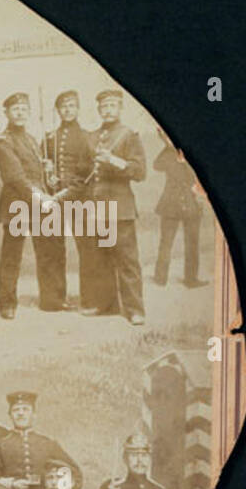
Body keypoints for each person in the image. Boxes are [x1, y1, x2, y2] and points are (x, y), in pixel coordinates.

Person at [0, 92, 65, 316]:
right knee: (12, 255)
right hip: (16, 203)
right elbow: (14, 177)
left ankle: (51, 301)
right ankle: (7, 304)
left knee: (47, 251)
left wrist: (48, 175)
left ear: (29, 112)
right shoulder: (2, 142)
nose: (20, 113)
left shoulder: (32, 140)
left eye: (24, 109)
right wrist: (40, 196)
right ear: (6, 113)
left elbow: (35, 174)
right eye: (15, 109)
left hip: (38, 201)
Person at [84, 88, 147, 324]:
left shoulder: (129, 135)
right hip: (98, 207)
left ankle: (135, 310)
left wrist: (113, 160)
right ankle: (107, 305)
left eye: (113, 106)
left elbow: (140, 172)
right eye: (104, 107)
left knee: (127, 259)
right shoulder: (92, 136)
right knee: (102, 258)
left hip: (120, 207)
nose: (108, 110)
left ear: (120, 108)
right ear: (99, 110)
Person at [0, 390, 81, 489]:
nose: (21, 414)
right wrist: (12, 484)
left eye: (25, 409)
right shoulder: (1, 445)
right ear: (10, 415)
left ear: (34, 414)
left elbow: (74, 472)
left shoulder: (48, 443)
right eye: (16, 410)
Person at [44, 90, 94, 307]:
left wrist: (67, 190)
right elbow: (42, 172)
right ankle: (55, 300)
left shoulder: (86, 137)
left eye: (72, 106)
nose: (67, 110)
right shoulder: (49, 139)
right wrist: (49, 176)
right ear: (57, 110)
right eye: (63, 106)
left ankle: (90, 298)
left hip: (79, 199)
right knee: (53, 248)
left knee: (87, 248)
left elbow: (88, 172)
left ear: (78, 108)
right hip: (54, 199)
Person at [153, 132, 207, 288]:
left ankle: (191, 279)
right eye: (166, 138)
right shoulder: (167, 155)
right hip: (170, 203)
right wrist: (168, 148)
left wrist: (184, 162)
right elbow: (156, 166)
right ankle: (160, 278)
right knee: (166, 242)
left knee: (192, 243)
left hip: (191, 202)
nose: (171, 140)